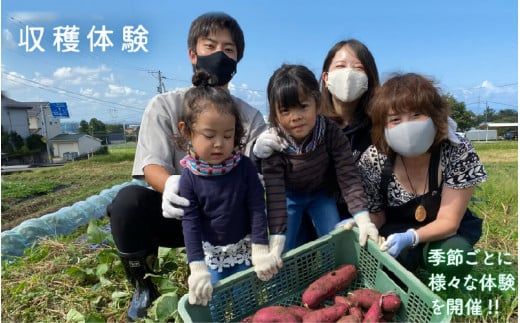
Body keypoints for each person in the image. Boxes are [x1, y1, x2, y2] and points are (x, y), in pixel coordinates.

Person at [106, 12, 266, 320]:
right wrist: (171, 185)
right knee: (128, 203)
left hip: (230, 222)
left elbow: (258, 172)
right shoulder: (165, 105)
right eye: (210, 45)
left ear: (237, 60)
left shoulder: (250, 116)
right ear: (193, 53)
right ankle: (143, 285)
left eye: (229, 49)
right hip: (182, 214)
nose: (220, 54)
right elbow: (151, 163)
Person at [357, 73, 486, 276]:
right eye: (395, 119)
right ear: (383, 127)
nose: (407, 127)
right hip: (394, 230)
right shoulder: (374, 159)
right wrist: (361, 223)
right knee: (383, 264)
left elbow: (449, 221)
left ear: (435, 116)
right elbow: (378, 215)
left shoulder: (457, 150)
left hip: (443, 232)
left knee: (455, 255)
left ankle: (435, 268)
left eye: (417, 115)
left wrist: (411, 237)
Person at [254, 39, 380, 241]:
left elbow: (348, 175)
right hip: (289, 197)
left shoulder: (331, 131)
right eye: (285, 111)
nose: (295, 117)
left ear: (316, 102)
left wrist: (363, 218)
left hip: (322, 195)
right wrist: (277, 239)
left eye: (303, 107)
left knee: (335, 238)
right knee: (285, 243)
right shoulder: (274, 142)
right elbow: (275, 193)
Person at [176, 71, 279, 306]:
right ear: (186, 131)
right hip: (212, 255)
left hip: (243, 248)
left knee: (246, 302)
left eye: (228, 135)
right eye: (210, 135)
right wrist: (197, 266)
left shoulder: (243, 167)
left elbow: (256, 207)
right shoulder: (189, 176)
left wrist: (260, 248)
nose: (219, 144)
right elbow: (190, 223)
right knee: (214, 303)